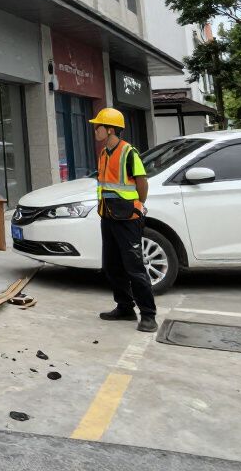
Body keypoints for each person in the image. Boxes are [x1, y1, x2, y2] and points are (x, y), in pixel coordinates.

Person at [90, 107, 157, 332]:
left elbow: (142, 182)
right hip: (108, 215)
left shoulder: (129, 153)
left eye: (97, 126)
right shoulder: (103, 153)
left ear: (109, 129)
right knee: (112, 265)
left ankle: (148, 315)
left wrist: (138, 205)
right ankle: (125, 307)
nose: (94, 130)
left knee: (134, 267)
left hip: (128, 217)